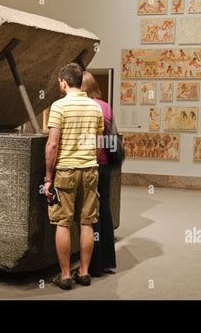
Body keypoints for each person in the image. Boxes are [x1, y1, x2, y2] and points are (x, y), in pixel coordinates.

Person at [44, 63, 104, 290]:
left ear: (63, 81)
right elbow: (99, 143)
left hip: (66, 170)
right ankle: (85, 272)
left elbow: (52, 145)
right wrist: (88, 159)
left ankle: (66, 275)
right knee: (87, 221)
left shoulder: (59, 107)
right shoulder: (95, 107)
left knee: (63, 222)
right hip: (89, 169)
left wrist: (48, 177)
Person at [81, 71, 117, 277]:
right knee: (104, 211)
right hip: (105, 163)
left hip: (91, 163)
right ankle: (106, 261)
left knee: (90, 214)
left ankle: (93, 265)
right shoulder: (105, 105)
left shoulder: (88, 107)